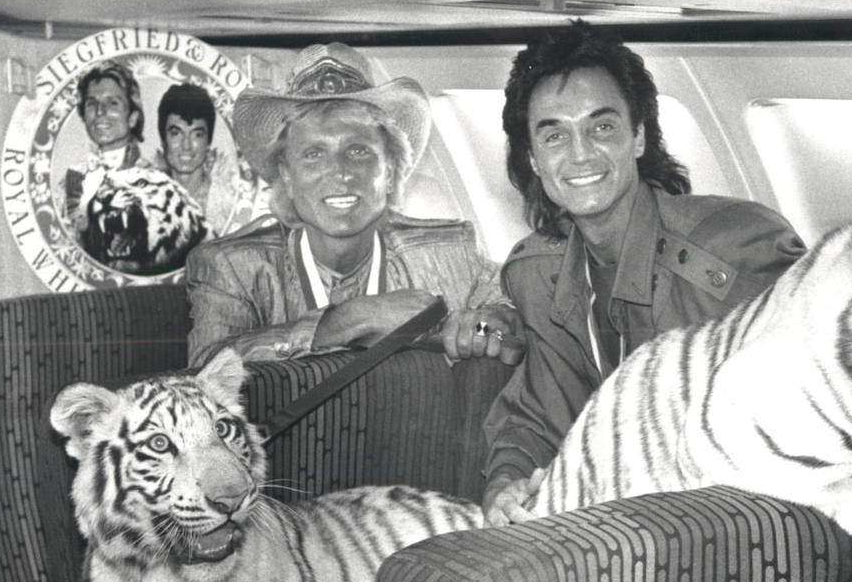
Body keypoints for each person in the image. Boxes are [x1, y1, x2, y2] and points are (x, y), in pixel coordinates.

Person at [482, 20, 805, 525]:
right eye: (554, 135)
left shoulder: (733, 254)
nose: (581, 153)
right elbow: (537, 417)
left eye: (602, 127)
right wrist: (507, 483)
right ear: (534, 160)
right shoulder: (539, 277)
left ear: (637, 137)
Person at [185, 42, 520, 367]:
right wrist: (348, 321)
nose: (340, 173)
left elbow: (511, 329)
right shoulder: (233, 267)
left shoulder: (450, 253)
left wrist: (481, 329)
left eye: (358, 151)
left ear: (390, 171)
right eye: (314, 154)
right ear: (286, 177)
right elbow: (205, 369)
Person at [155, 82, 256, 236]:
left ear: (208, 142)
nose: (186, 145)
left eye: (197, 134)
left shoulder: (229, 202)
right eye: (176, 133)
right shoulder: (145, 200)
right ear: (163, 140)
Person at [64, 60, 148, 233]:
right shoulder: (75, 177)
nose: (100, 112)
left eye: (113, 103)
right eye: (92, 104)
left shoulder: (153, 177)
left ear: (132, 117)